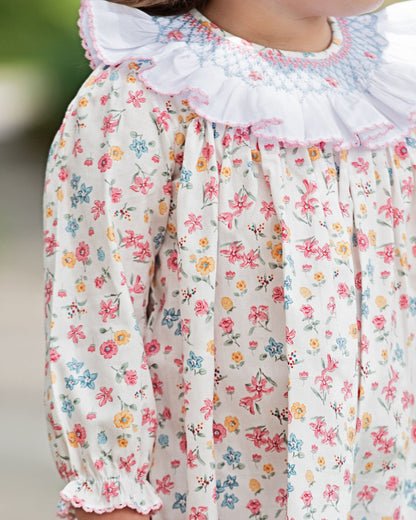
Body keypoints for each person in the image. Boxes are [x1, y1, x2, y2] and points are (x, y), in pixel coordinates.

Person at [42, 0, 416, 518]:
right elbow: (95, 311)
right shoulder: (147, 94)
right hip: (206, 489)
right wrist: (112, 490)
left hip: (375, 486)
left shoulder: (392, 89)